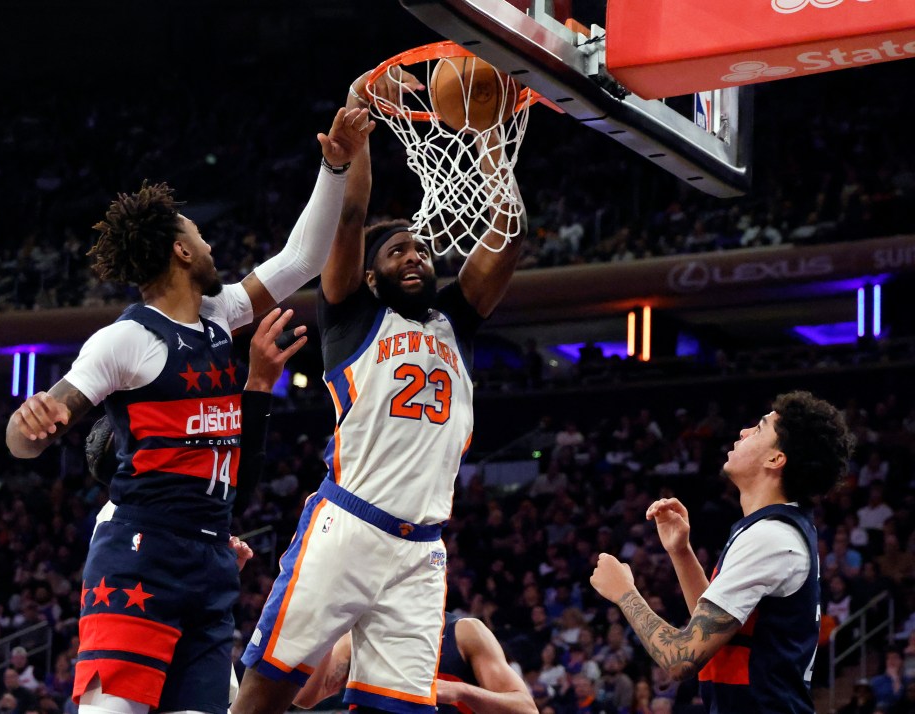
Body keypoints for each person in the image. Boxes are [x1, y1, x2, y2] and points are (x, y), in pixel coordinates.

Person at [6, 105, 374, 714]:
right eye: (201, 237)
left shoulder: (218, 314)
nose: (210, 246)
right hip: (140, 554)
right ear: (181, 252)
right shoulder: (125, 341)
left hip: (210, 558)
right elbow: (33, 438)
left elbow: (300, 260)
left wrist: (333, 166)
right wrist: (26, 427)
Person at [235, 66, 527, 714]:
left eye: (420, 249)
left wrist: (488, 143)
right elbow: (352, 217)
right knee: (269, 686)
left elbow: (507, 241)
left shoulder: (457, 322)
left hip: (423, 551)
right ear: (371, 278)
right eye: (396, 253)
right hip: (350, 524)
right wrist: (356, 121)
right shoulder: (351, 318)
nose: (414, 256)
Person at [589, 391, 854, 713]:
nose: (743, 432)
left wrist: (624, 593)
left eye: (759, 429)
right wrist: (681, 552)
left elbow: (681, 659)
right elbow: (717, 632)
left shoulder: (770, 537)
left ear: (775, 459)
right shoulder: (771, 529)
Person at [292, 613, 536, 714]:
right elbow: (304, 698)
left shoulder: (464, 632)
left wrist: (462, 691)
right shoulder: (355, 639)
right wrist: (328, 627)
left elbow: (525, 709)